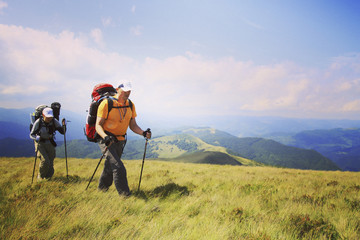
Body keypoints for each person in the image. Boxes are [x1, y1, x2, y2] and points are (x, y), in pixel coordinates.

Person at [95, 82, 151, 197]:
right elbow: (98, 125)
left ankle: (101, 191)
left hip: (120, 141)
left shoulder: (130, 105)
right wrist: (105, 137)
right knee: (118, 167)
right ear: (117, 89)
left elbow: (133, 125)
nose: (127, 93)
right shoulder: (106, 103)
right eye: (124, 90)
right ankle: (125, 196)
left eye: (129, 90)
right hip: (106, 140)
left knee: (110, 167)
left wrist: (143, 133)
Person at [30, 107, 66, 179]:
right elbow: (32, 134)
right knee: (45, 161)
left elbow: (62, 132)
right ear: (43, 115)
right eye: (47, 117)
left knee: (50, 161)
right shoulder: (38, 122)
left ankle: (48, 178)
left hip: (49, 142)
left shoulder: (54, 121)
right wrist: (36, 138)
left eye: (50, 117)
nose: (49, 119)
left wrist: (64, 125)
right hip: (40, 143)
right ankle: (40, 178)